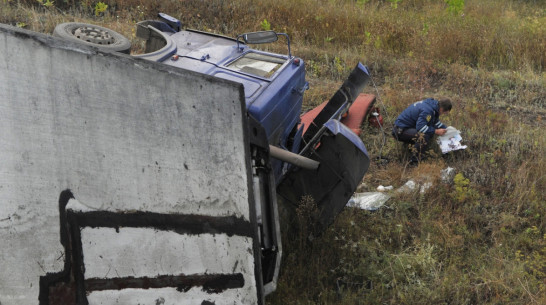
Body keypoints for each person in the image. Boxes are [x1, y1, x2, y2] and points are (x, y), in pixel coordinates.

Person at [392, 98, 452, 164]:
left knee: (429, 131)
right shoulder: (428, 111)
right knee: (424, 136)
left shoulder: (434, 107)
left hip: (407, 128)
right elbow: (421, 127)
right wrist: (436, 131)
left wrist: (448, 130)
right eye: (444, 113)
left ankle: (412, 150)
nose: (443, 114)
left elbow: (435, 122)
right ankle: (415, 162)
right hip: (400, 130)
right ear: (442, 109)